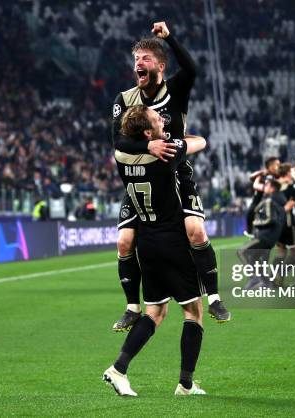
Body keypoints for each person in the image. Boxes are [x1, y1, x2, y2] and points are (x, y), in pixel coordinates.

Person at [111, 21, 229, 331]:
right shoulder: (124, 100)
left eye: (146, 58)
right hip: (139, 177)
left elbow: (192, 69)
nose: (139, 62)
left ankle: (214, 297)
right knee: (124, 241)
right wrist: (147, 145)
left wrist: (169, 38)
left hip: (175, 174)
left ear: (160, 66)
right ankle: (131, 306)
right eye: (136, 57)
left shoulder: (175, 90)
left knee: (196, 232)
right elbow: (117, 141)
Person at [103, 105, 208, 396]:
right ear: (148, 132)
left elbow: (123, 141)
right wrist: (176, 139)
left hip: (146, 243)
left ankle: (118, 369)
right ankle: (185, 384)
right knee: (193, 311)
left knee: (156, 312)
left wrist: (146, 140)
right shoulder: (166, 153)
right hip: (172, 242)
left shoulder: (122, 156)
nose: (162, 118)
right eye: (155, 118)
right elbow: (201, 142)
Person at [238, 178, 290, 289]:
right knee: (255, 259)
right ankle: (265, 282)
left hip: (265, 236)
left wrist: (256, 223)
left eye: (266, 185)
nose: (264, 187)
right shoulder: (278, 198)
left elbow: (271, 219)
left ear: (272, 187)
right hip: (270, 235)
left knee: (242, 252)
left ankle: (255, 278)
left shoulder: (272, 199)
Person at [244, 157, 280, 236]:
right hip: (259, 207)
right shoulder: (262, 176)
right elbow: (251, 177)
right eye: (277, 164)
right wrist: (261, 173)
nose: (279, 166)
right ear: (270, 166)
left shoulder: (278, 176)